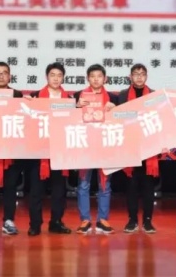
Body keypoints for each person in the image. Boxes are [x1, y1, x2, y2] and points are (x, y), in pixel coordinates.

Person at [0, 61, 38, 237]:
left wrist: (31, 105)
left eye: (4, 72)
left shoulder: (17, 95)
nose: (1, 76)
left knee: (10, 185)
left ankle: (8, 220)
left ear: (9, 76)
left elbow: (26, 118)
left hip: (12, 148)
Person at [28, 62, 72, 235]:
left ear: (63, 78)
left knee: (59, 190)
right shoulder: (35, 97)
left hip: (60, 150)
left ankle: (56, 222)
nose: (55, 78)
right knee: (36, 190)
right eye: (52, 75)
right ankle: (35, 224)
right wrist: (27, 105)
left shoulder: (69, 99)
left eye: (59, 75)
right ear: (46, 77)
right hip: (38, 151)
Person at [74, 64, 116, 234]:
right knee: (83, 185)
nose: (96, 79)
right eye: (92, 76)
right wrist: (77, 107)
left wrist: (114, 110)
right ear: (87, 78)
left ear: (105, 79)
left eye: (99, 76)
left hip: (105, 146)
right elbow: (67, 119)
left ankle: (102, 220)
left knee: (105, 185)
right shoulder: (78, 96)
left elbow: (121, 121)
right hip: (85, 146)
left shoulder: (113, 98)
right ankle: (85, 219)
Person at [117, 64, 159, 234]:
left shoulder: (155, 96)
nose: (139, 77)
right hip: (130, 147)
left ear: (146, 76)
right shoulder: (122, 95)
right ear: (130, 77)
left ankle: (148, 221)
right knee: (131, 187)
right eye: (136, 74)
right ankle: (132, 220)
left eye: (142, 74)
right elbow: (117, 119)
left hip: (149, 148)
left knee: (148, 188)